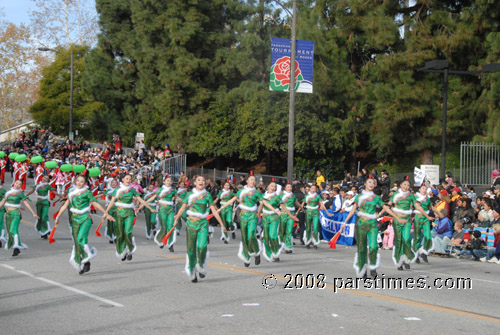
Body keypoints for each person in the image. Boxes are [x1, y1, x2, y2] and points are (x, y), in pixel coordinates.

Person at [341, 176, 402, 278]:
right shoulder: (359, 197)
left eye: (373, 183)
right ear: (365, 184)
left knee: (374, 247)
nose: (371, 184)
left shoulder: (377, 198)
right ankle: (363, 269)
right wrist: (345, 222)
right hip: (361, 225)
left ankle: (373, 268)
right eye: (369, 182)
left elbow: (385, 207)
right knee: (362, 249)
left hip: (373, 225)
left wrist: (395, 216)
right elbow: (353, 210)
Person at [55, 175, 114, 274]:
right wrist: (57, 217)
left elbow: (95, 204)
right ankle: (82, 264)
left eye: (81, 181)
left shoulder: (87, 193)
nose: (79, 183)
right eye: (77, 181)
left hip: (85, 218)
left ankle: (86, 257)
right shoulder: (71, 193)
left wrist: (106, 214)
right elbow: (65, 205)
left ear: (85, 183)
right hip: (74, 219)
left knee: (80, 239)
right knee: (77, 243)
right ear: (74, 181)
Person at [173, 175, 226, 282]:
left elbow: (213, 210)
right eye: (199, 180)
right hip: (191, 224)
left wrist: (222, 224)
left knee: (202, 246)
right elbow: (183, 207)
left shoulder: (207, 195)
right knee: (191, 250)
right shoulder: (189, 194)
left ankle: (201, 266)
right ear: (195, 183)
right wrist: (176, 219)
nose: (201, 181)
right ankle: (192, 270)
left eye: (203, 180)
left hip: (202, 224)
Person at [219, 175, 277, 267]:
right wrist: (220, 208)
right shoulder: (241, 191)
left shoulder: (257, 193)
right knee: (245, 237)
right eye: (251, 180)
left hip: (253, 216)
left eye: (254, 180)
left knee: (251, 236)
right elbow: (232, 200)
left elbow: (264, 202)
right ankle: (246, 257)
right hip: (243, 216)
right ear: (247, 181)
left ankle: (257, 252)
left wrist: (274, 210)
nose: (253, 181)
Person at [104, 174, 157, 261]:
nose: (128, 180)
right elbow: (112, 202)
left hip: (129, 213)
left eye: (130, 179)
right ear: (123, 179)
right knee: (120, 234)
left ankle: (130, 249)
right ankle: (122, 250)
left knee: (127, 232)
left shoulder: (132, 190)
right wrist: (105, 213)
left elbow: (140, 200)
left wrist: (150, 208)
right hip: (119, 214)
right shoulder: (117, 190)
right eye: (127, 179)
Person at [389, 177, 432, 270]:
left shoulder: (411, 195)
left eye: (408, 185)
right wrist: (395, 213)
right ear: (400, 185)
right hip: (397, 221)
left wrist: (427, 215)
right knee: (399, 241)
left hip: (407, 220)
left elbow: (418, 207)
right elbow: (389, 206)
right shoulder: (395, 194)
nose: (406, 186)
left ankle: (406, 259)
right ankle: (399, 261)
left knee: (407, 239)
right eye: (404, 184)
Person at [259, 182, 297, 262]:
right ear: (268, 187)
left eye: (275, 186)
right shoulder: (263, 196)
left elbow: (284, 207)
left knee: (273, 235)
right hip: (265, 217)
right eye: (271, 186)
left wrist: (291, 216)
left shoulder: (277, 197)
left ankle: (275, 252)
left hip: (274, 217)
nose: (273, 187)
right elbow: (261, 206)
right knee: (266, 237)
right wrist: (257, 214)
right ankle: (268, 254)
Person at [0, 180, 39, 256]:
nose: (17, 185)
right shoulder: (8, 193)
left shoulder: (20, 194)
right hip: (8, 214)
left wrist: (33, 213)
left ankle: (17, 245)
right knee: (10, 231)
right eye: (16, 183)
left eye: (19, 184)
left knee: (13, 230)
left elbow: (27, 204)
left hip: (16, 214)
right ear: (14, 183)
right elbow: (2, 202)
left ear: (21, 186)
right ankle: (16, 248)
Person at [145, 176, 177, 251]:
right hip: (162, 209)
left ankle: (170, 243)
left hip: (170, 209)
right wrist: (145, 203)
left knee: (171, 226)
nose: (169, 182)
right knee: (164, 227)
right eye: (167, 180)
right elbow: (153, 197)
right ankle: (160, 240)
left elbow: (175, 197)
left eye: (170, 181)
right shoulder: (160, 190)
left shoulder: (173, 190)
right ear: (164, 182)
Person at [301, 184, 331, 249]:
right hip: (308, 213)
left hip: (315, 213)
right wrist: (300, 210)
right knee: (308, 228)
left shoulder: (318, 196)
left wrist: (327, 212)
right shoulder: (307, 196)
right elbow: (302, 204)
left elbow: (322, 204)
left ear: (316, 190)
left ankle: (315, 242)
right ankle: (307, 242)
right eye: (312, 188)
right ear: (310, 189)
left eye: (314, 189)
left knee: (315, 228)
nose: (313, 190)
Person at [413, 185, 435, 263]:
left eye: (425, 189)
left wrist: (439, 213)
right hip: (418, 218)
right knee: (417, 237)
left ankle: (424, 252)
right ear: (419, 189)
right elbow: (418, 208)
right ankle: (415, 254)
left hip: (425, 219)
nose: (424, 190)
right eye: (423, 188)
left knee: (428, 237)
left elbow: (432, 208)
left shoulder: (428, 199)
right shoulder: (415, 198)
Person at [279, 183, 301, 253]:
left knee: (289, 230)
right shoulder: (281, 195)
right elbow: (279, 203)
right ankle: (281, 243)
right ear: (285, 188)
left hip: (291, 214)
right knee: (282, 230)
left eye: (290, 187)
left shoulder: (293, 195)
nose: (289, 188)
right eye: (288, 187)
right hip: (283, 213)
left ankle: (288, 246)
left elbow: (296, 202)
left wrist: (301, 207)